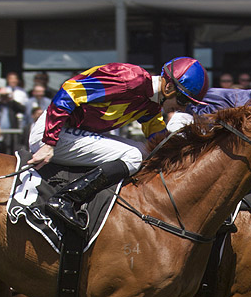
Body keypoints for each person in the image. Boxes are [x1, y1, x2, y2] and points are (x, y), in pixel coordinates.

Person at [27, 57, 209, 230]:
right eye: (183, 100)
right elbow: (69, 91)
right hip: (52, 133)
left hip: (71, 133)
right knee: (133, 156)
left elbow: (158, 141)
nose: (182, 108)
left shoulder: (150, 104)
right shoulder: (130, 78)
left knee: (146, 152)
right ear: (169, 87)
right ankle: (66, 198)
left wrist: (189, 156)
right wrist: (49, 142)